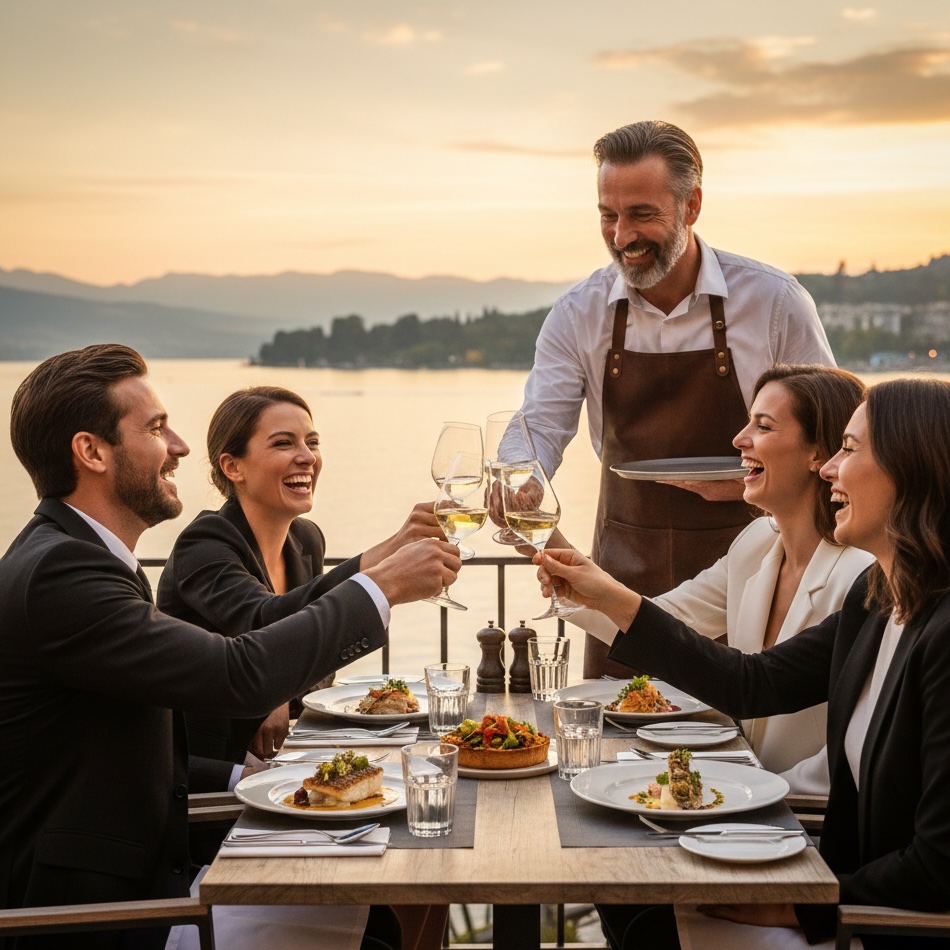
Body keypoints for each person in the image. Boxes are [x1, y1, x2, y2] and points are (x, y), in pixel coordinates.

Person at [0, 344, 459, 950]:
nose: (180, 447)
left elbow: (142, 756)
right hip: (104, 923)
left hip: (153, 883)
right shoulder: (63, 574)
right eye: (157, 428)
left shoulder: (81, 559)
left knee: (389, 897)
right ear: (91, 452)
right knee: (392, 893)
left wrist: (258, 774)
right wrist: (382, 586)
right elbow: (236, 672)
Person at [537, 377, 950, 950]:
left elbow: (937, 869)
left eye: (850, 451)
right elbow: (751, 682)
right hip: (833, 887)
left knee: (646, 914)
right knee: (632, 900)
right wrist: (603, 592)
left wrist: (796, 908)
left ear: (913, 468)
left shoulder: (940, 636)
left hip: (870, 922)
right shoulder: (881, 599)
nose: (830, 469)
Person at [515, 119, 835, 678]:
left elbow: (833, 439)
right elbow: (537, 429)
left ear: (692, 206)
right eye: (608, 215)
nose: (621, 237)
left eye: (642, 214)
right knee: (613, 743)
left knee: (746, 734)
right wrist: (518, 480)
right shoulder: (578, 313)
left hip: (754, 568)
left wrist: (747, 481)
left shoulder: (774, 302)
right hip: (617, 571)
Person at [157, 386, 449, 950]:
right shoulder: (205, 544)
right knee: (402, 866)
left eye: (313, 442)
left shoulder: (305, 542)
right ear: (232, 466)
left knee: (427, 863)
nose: (307, 456)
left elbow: (306, 646)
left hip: (295, 773)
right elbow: (265, 622)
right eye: (284, 443)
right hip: (218, 792)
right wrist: (382, 567)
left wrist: (395, 547)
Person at [574, 364, 873, 796]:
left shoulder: (862, 577)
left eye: (763, 425)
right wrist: (564, 572)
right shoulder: (755, 542)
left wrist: (744, 791)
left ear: (818, 455)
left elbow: (848, 751)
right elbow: (668, 622)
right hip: (749, 791)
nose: (739, 439)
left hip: (807, 816)